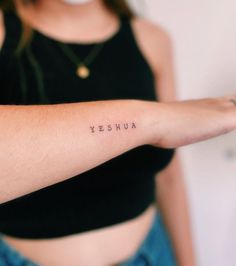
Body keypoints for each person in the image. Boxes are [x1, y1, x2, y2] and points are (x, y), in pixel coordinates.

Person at [0, 0, 236, 265]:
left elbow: (170, 176)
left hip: (150, 255)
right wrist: (155, 121)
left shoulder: (151, 39)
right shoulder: (4, 31)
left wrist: (188, 261)